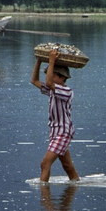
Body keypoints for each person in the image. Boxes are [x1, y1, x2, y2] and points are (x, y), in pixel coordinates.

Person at [30, 49, 80, 182]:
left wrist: (51, 60)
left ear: (62, 77)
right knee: (67, 166)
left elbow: (49, 84)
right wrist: (39, 61)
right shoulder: (53, 90)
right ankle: (74, 187)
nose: (50, 77)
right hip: (55, 131)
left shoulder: (65, 91)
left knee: (45, 163)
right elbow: (34, 80)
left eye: (53, 75)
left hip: (63, 132)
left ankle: (45, 197)